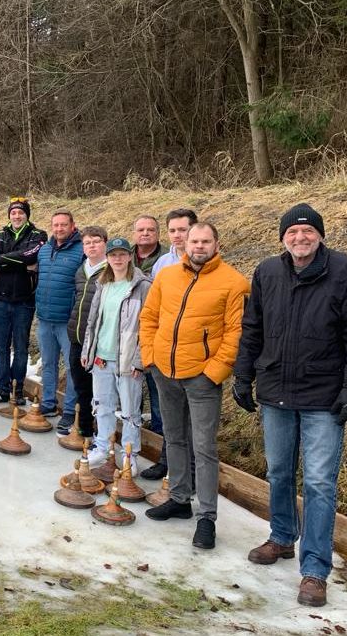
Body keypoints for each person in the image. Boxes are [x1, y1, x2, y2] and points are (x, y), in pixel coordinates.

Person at [233, 204, 347, 608]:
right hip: (277, 389)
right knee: (278, 471)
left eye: (308, 231)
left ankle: (314, 569)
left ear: (320, 235)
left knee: (318, 483)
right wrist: (243, 375)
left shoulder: (345, 272)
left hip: (324, 398)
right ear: (283, 238)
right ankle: (281, 537)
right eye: (293, 232)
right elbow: (253, 329)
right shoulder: (267, 273)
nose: (300, 238)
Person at [139, 222, 249, 550]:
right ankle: (179, 498)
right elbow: (149, 317)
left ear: (217, 243)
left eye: (205, 241)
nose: (198, 246)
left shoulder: (234, 283)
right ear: (185, 243)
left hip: (202, 378)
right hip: (165, 371)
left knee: (204, 446)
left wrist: (214, 371)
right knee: (174, 438)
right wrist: (151, 357)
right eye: (193, 240)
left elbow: (236, 333)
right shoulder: (168, 276)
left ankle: (207, 517)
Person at [80, 238, 151, 464]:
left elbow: (148, 326)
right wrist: (88, 351)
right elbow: (93, 321)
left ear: (130, 257)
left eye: (122, 255)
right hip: (102, 357)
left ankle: (130, 455)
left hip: (128, 362)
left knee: (130, 412)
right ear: (107, 258)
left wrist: (139, 360)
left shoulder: (142, 287)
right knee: (102, 406)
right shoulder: (103, 284)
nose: (117, 259)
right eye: (113, 255)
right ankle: (102, 447)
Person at [142, 207, 198, 480]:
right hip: (165, 348)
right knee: (166, 411)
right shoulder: (162, 264)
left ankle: (193, 470)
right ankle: (167, 461)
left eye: (183, 230)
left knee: (193, 418)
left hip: (193, 351)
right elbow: (153, 309)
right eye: (173, 230)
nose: (178, 235)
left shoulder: (204, 262)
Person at [0, 197, 46, 405]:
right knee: (1, 347)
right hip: (0, 299)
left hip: (24, 301)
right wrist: (21, 263)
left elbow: (30, 256)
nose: (17, 216)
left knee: (20, 348)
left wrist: (2, 261)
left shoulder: (39, 235)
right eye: (13, 213)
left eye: (21, 213)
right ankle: (2, 388)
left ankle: (17, 391)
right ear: (9, 215)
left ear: (27, 215)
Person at [34, 209, 86, 434]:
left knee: (72, 368)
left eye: (64, 225)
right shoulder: (44, 250)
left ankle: (68, 411)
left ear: (72, 226)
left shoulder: (81, 250)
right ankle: (47, 404)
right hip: (45, 318)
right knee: (48, 364)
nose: (59, 229)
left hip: (67, 320)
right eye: (55, 225)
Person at [65, 226, 107, 438]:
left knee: (99, 390)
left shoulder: (111, 270)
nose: (92, 246)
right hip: (78, 336)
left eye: (96, 241)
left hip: (99, 342)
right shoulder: (82, 269)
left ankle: (102, 435)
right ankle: (84, 429)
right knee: (81, 386)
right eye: (88, 243)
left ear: (104, 244)